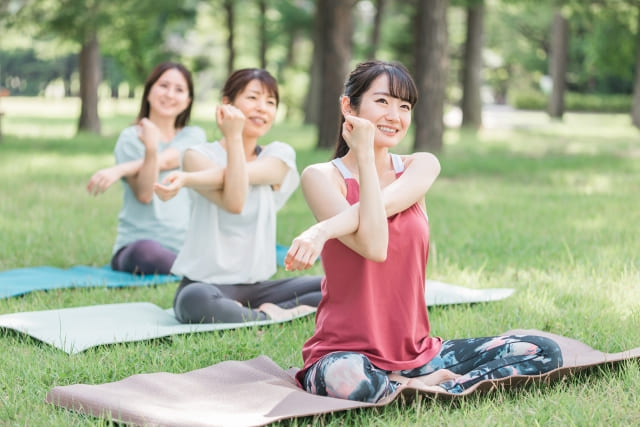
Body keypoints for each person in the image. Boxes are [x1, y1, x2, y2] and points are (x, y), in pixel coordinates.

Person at [284, 60, 563, 402]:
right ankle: (421, 388)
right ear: (348, 106)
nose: (394, 115)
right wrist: (365, 159)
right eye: (382, 101)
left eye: (404, 106)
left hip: (419, 355)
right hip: (344, 354)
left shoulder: (420, 166)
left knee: (542, 350)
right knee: (347, 379)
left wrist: (321, 231)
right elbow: (374, 244)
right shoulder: (321, 176)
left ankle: (419, 386)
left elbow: (382, 206)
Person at [154, 68, 322, 323]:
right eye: (252, 98)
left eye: (270, 102)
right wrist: (233, 137)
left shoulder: (279, 155)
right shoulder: (195, 155)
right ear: (227, 105)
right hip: (205, 285)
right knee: (194, 301)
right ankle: (271, 315)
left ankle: (255, 313)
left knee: (330, 286)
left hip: (257, 286)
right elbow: (235, 201)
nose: (262, 108)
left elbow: (241, 176)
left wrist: (188, 179)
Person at [86, 62, 207, 276]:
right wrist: (150, 149)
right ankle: (193, 272)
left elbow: (173, 158)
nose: (170, 94)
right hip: (137, 246)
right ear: (149, 91)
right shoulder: (131, 138)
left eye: (179, 90)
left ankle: (189, 267)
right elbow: (144, 194)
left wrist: (121, 169)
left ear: (187, 101)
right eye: (163, 86)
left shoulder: (194, 136)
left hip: (185, 246)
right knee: (146, 251)